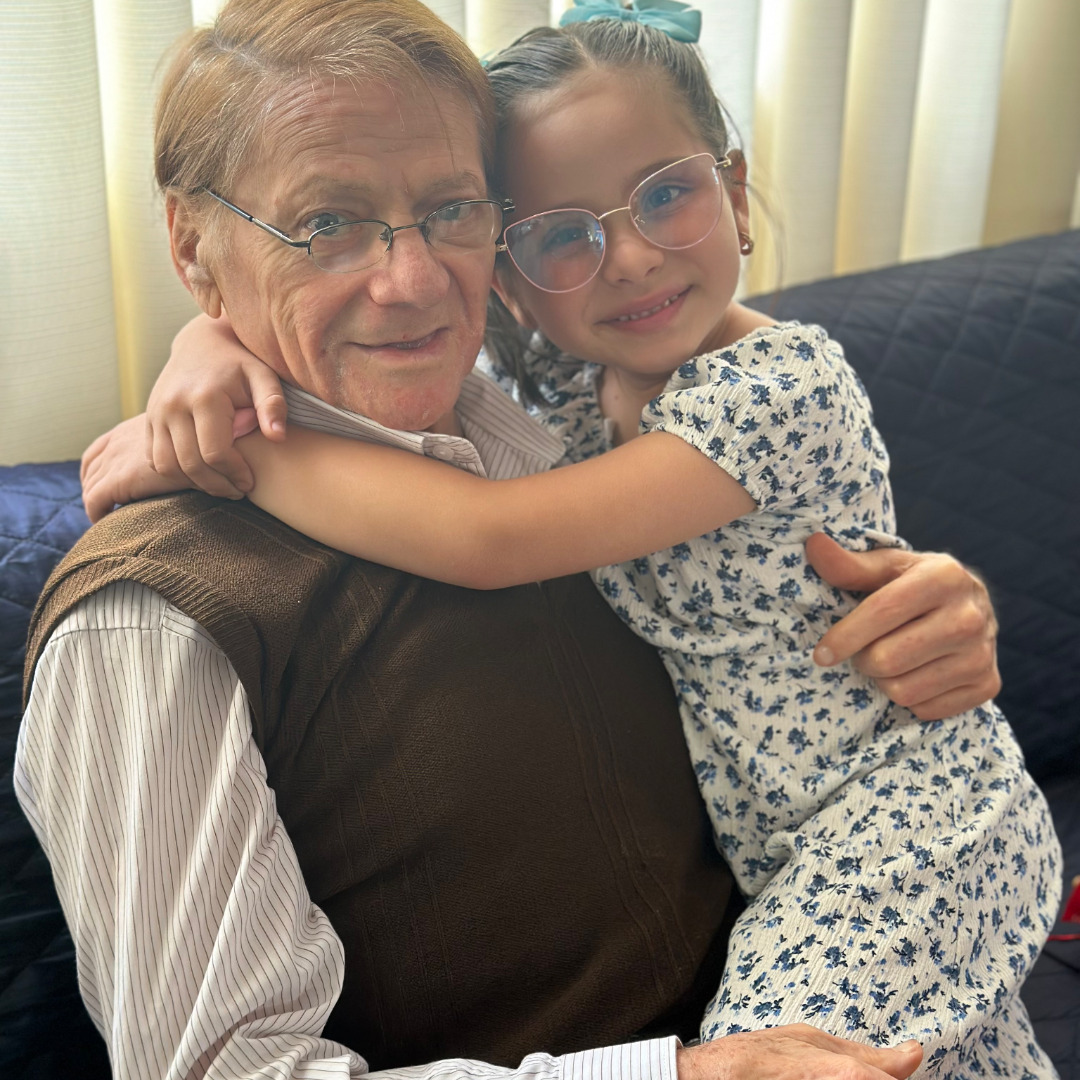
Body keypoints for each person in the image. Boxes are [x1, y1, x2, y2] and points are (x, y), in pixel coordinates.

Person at [22, 1, 1002, 1079]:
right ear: (191, 247)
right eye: (327, 223)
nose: (412, 280)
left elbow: (732, 577)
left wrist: (930, 602)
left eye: (449, 209)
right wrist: (677, 1076)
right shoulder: (151, 621)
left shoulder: (558, 428)